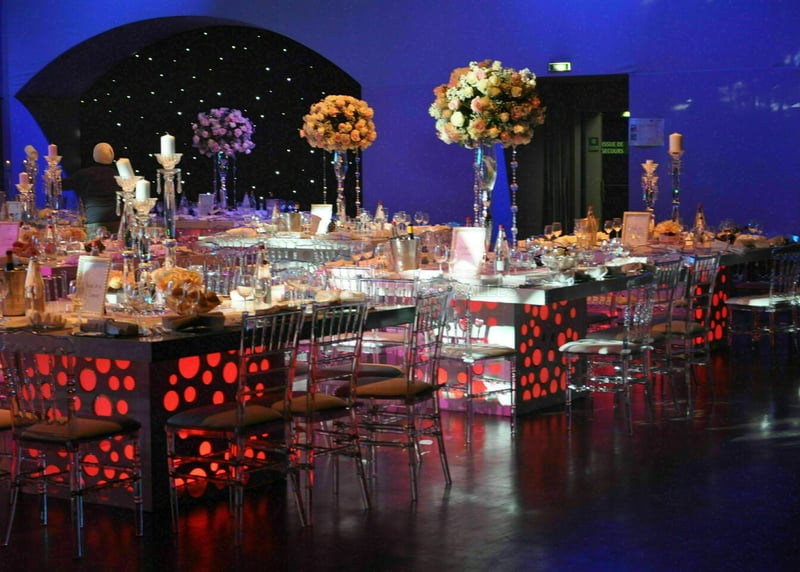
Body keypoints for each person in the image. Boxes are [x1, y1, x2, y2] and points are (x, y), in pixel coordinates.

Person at [62, 142, 120, 237]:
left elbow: (59, 186)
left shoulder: (84, 174)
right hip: (117, 223)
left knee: (94, 246)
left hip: (94, 224)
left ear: (94, 155)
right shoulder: (120, 176)